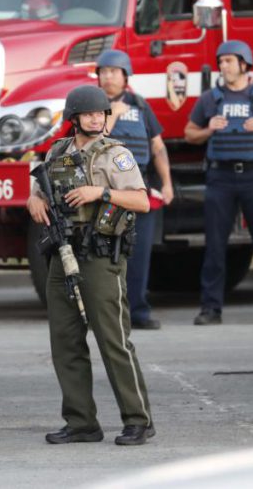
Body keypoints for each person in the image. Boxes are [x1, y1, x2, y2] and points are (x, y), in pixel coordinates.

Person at [26, 85, 155, 446]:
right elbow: (39, 188)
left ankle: (138, 420)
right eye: (89, 114)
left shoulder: (116, 155)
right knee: (65, 341)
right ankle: (81, 421)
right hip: (62, 254)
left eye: (100, 113)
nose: (96, 118)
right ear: (75, 118)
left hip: (100, 256)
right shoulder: (57, 152)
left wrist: (101, 193)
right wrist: (33, 201)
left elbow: (142, 201)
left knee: (113, 339)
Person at [184, 40, 253, 325]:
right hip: (220, 177)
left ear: (244, 65)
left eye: (229, 61)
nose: (223, 66)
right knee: (215, 245)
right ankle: (211, 309)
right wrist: (208, 129)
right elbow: (189, 134)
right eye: (221, 62)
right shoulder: (211, 99)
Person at [96, 49, 174, 330]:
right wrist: (113, 115)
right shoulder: (92, 106)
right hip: (106, 192)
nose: (108, 77)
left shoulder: (140, 105)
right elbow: (92, 142)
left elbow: (157, 146)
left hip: (139, 190)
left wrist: (166, 184)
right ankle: (106, 315)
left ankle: (138, 311)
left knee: (139, 255)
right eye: (103, 72)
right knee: (104, 256)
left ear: (125, 76)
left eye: (113, 72)